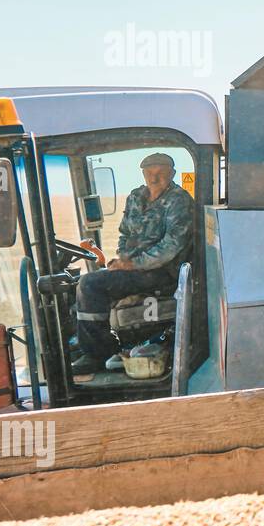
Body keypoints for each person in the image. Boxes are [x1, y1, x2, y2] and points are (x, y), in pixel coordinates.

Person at [70, 153, 194, 375]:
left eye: (160, 174)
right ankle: (98, 342)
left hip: (163, 272)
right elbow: (125, 233)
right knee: (78, 284)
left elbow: (171, 246)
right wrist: (121, 259)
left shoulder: (180, 201)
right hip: (134, 267)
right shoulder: (136, 196)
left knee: (90, 284)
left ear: (172, 174)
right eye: (149, 173)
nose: (154, 179)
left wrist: (132, 264)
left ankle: (97, 354)